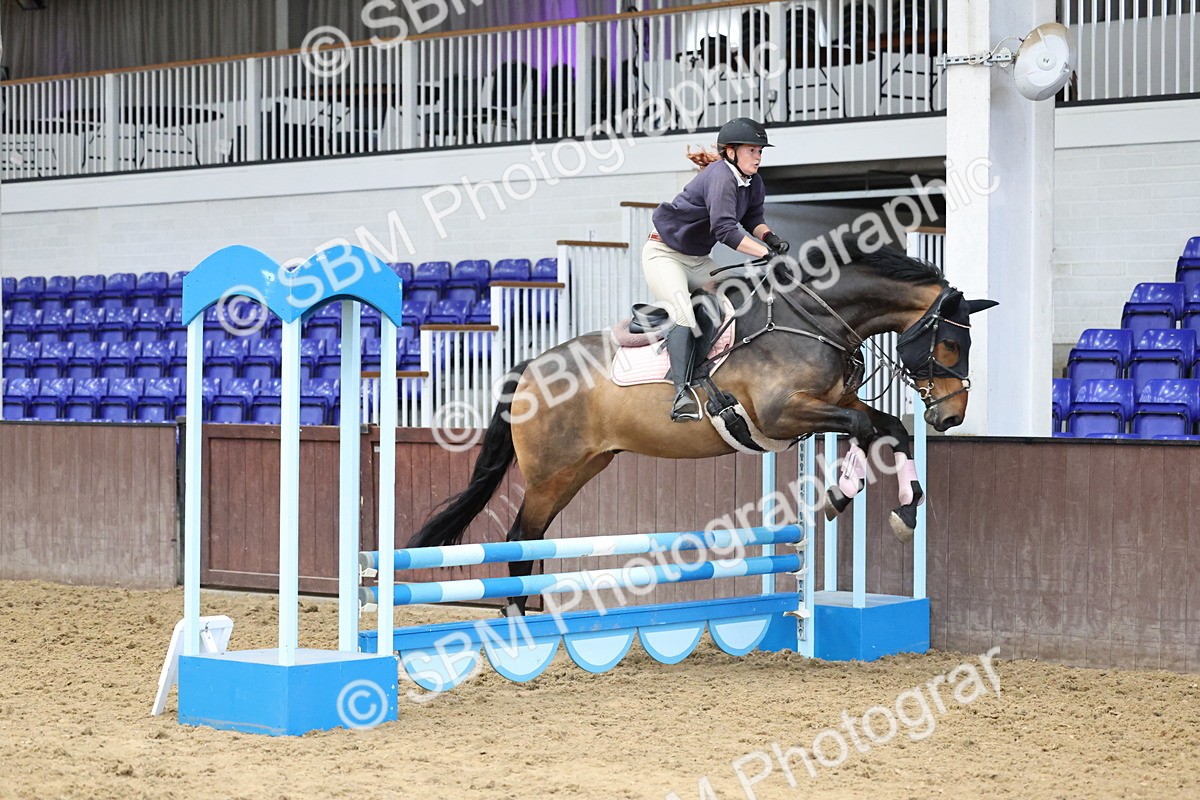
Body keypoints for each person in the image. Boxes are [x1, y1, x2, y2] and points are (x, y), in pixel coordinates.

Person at [642, 117, 790, 422]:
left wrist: (771, 239)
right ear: (731, 152)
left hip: (697, 260)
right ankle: (680, 394)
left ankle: (701, 370)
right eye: (753, 150)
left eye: (761, 151)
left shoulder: (752, 181)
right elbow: (724, 230)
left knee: (734, 298)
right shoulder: (720, 175)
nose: (759, 156)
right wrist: (764, 253)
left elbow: (753, 219)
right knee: (684, 313)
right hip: (664, 255)